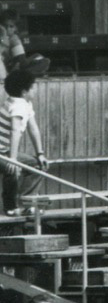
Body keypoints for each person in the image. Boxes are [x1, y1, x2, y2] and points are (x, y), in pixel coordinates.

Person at [0, 67, 46, 214]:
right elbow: (15, 131)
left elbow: (33, 129)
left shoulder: (25, 104)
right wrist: (13, 159)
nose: (35, 90)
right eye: (33, 87)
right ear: (24, 91)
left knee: (37, 165)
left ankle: (27, 204)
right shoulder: (17, 105)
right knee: (12, 169)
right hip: (2, 152)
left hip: (5, 151)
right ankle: (10, 208)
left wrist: (40, 153)